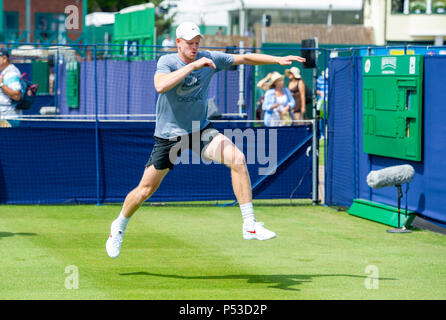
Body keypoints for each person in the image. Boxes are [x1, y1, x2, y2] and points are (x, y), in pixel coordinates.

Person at [106, 21, 306, 258]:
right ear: (178, 43)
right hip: (170, 136)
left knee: (238, 159)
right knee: (145, 190)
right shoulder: (167, 62)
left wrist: (276, 60)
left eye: (197, 43)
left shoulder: (208, 57)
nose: (194, 47)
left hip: (199, 130)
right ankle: (118, 226)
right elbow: (160, 86)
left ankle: (249, 224)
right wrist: (193, 67)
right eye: (189, 43)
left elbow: (244, 59)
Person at [0, 48, 22, 127]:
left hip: (9, 119)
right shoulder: (4, 72)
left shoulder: (11, 73)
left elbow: (17, 96)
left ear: (4, 58)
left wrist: (1, 84)